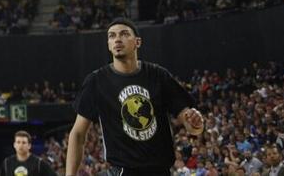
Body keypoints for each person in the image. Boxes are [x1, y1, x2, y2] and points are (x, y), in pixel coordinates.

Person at [64, 18, 205, 176]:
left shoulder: (158, 75)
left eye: (124, 34)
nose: (117, 39)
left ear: (137, 42)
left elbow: (190, 124)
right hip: (123, 171)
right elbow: (77, 133)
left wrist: (196, 124)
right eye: (112, 36)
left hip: (161, 170)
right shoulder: (96, 81)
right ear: (109, 45)